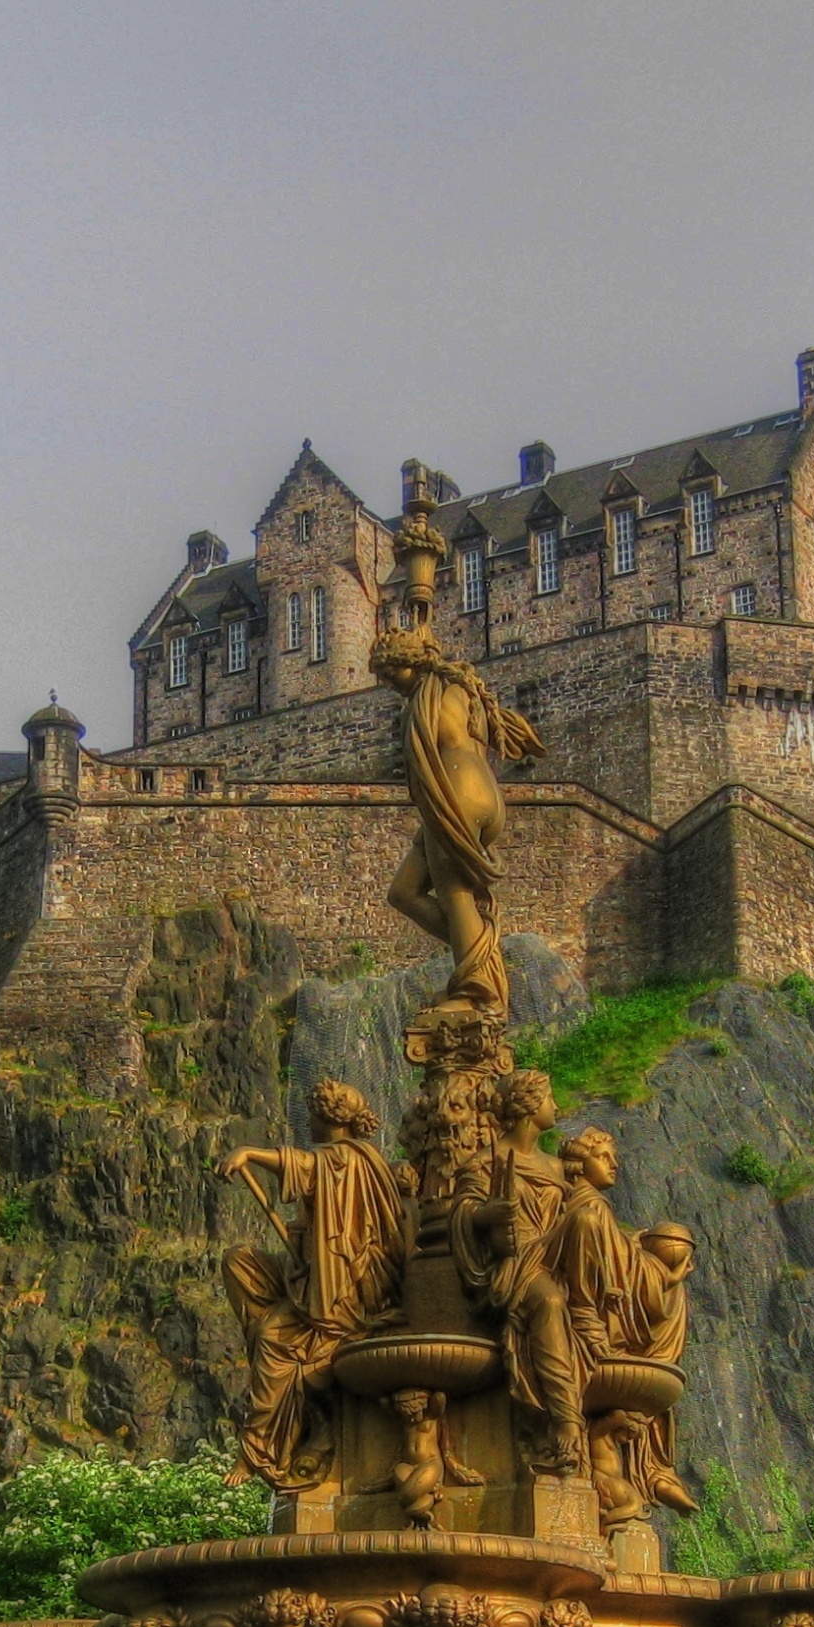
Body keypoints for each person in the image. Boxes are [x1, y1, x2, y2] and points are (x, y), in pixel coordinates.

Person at [221, 1079, 404, 1488]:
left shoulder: (348, 1158)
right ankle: (291, 1346)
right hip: (313, 1275)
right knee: (239, 1261)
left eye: (311, 1117)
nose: (308, 1124)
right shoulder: (349, 1157)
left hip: (346, 1287)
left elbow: (306, 1168)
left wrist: (249, 1152)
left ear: (326, 1119)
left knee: (273, 1337)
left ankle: (258, 1449)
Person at [370, 626, 542, 1017]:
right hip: (487, 795)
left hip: (455, 793)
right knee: (404, 892)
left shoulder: (425, 696)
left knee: (456, 894)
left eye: (389, 673)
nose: (386, 683)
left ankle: (478, 990)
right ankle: (482, 959)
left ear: (410, 663)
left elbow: (421, 756)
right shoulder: (464, 687)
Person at [552, 1127, 697, 1516]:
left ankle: (655, 1471)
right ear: (581, 1164)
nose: (613, 1164)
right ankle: (653, 1471)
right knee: (670, 1301)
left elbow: (615, 1255)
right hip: (592, 1316)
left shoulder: (586, 1204)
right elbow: (608, 1267)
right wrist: (668, 1275)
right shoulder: (589, 1207)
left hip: (597, 1308)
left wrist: (636, 1243)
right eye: (603, 1157)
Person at [451, 1067, 586, 1473]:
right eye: (549, 1098)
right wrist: (485, 1215)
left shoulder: (558, 1168)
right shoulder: (486, 1163)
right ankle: (565, 1418)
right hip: (516, 1264)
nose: (556, 1106)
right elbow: (461, 1214)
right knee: (548, 1300)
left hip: (557, 1258)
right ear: (530, 1107)